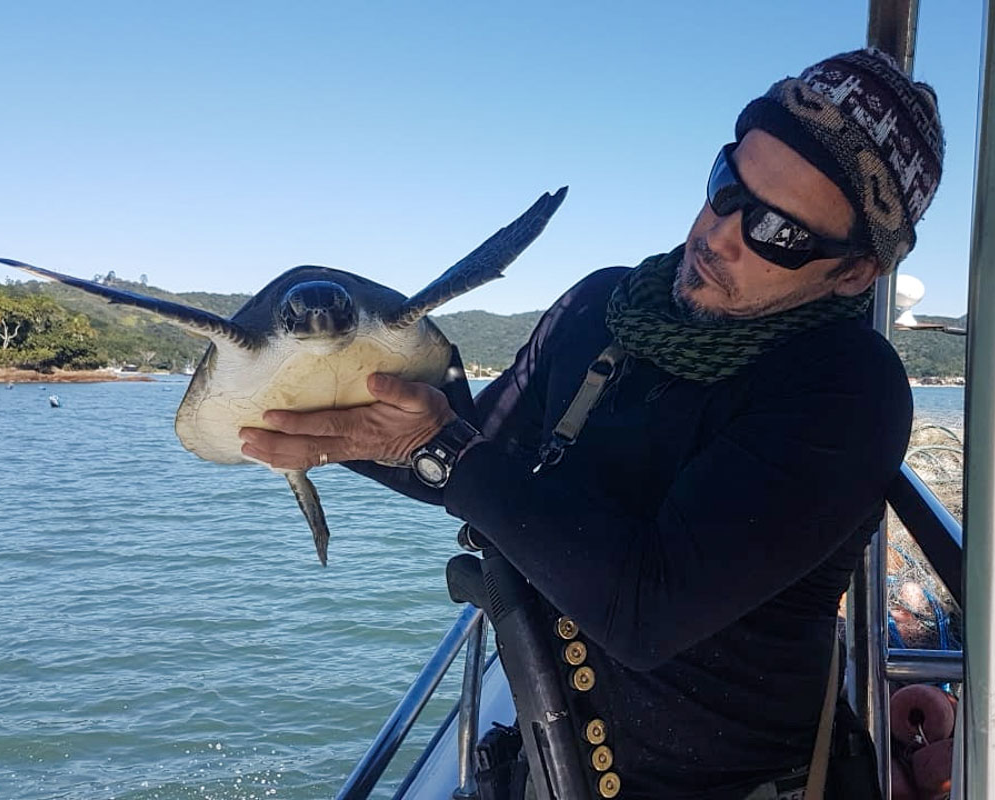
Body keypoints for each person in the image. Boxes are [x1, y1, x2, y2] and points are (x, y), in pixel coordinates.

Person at [240, 48, 943, 800]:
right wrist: (309, 405)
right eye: (727, 187)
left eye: (779, 232)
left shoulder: (845, 388)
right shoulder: (602, 307)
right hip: (545, 768)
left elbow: (646, 612)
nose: (720, 235)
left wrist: (438, 447)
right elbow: (477, 450)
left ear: (854, 271)